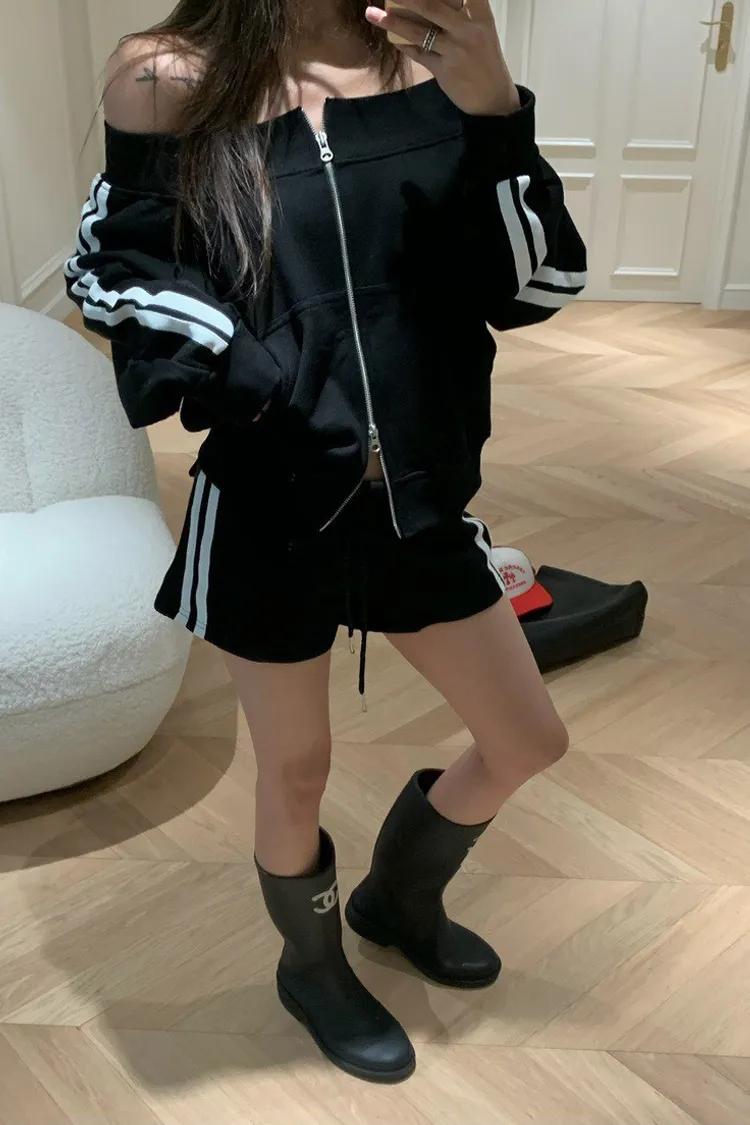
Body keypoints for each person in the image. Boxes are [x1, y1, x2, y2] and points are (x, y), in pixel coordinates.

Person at [66, 0, 586, 1084]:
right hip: (271, 507)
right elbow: (111, 273)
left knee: (528, 739)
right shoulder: (166, 74)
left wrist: (494, 104)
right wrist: (256, 377)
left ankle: (398, 899)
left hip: (419, 502)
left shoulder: (433, 64)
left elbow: (535, 282)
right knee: (296, 768)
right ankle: (310, 967)